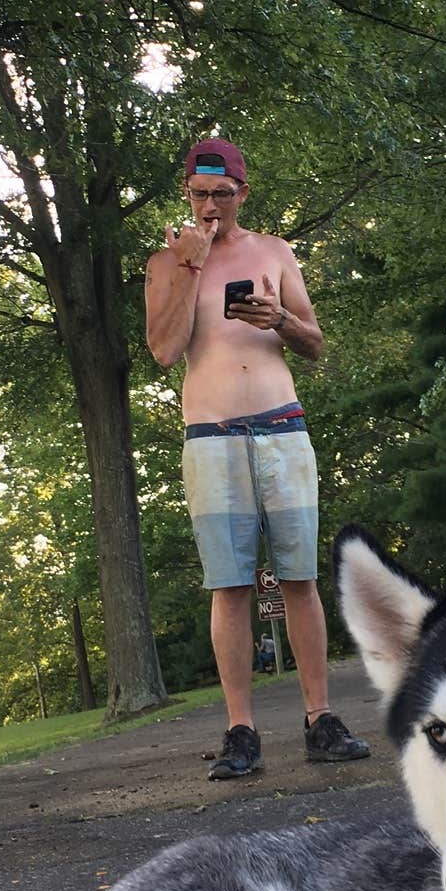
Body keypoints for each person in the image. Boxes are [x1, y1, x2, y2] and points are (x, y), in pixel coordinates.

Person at [144, 137, 371, 780]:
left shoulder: (274, 252)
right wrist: (190, 266)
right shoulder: (165, 261)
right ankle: (240, 730)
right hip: (211, 436)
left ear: (242, 191)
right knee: (230, 585)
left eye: (221, 192)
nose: (210, 204)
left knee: (299, 576)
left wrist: (278, 320)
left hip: (282, 428)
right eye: (198, 193)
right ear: (187, 194)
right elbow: (163, 350)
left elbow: (315, 343)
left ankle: (319, 719)